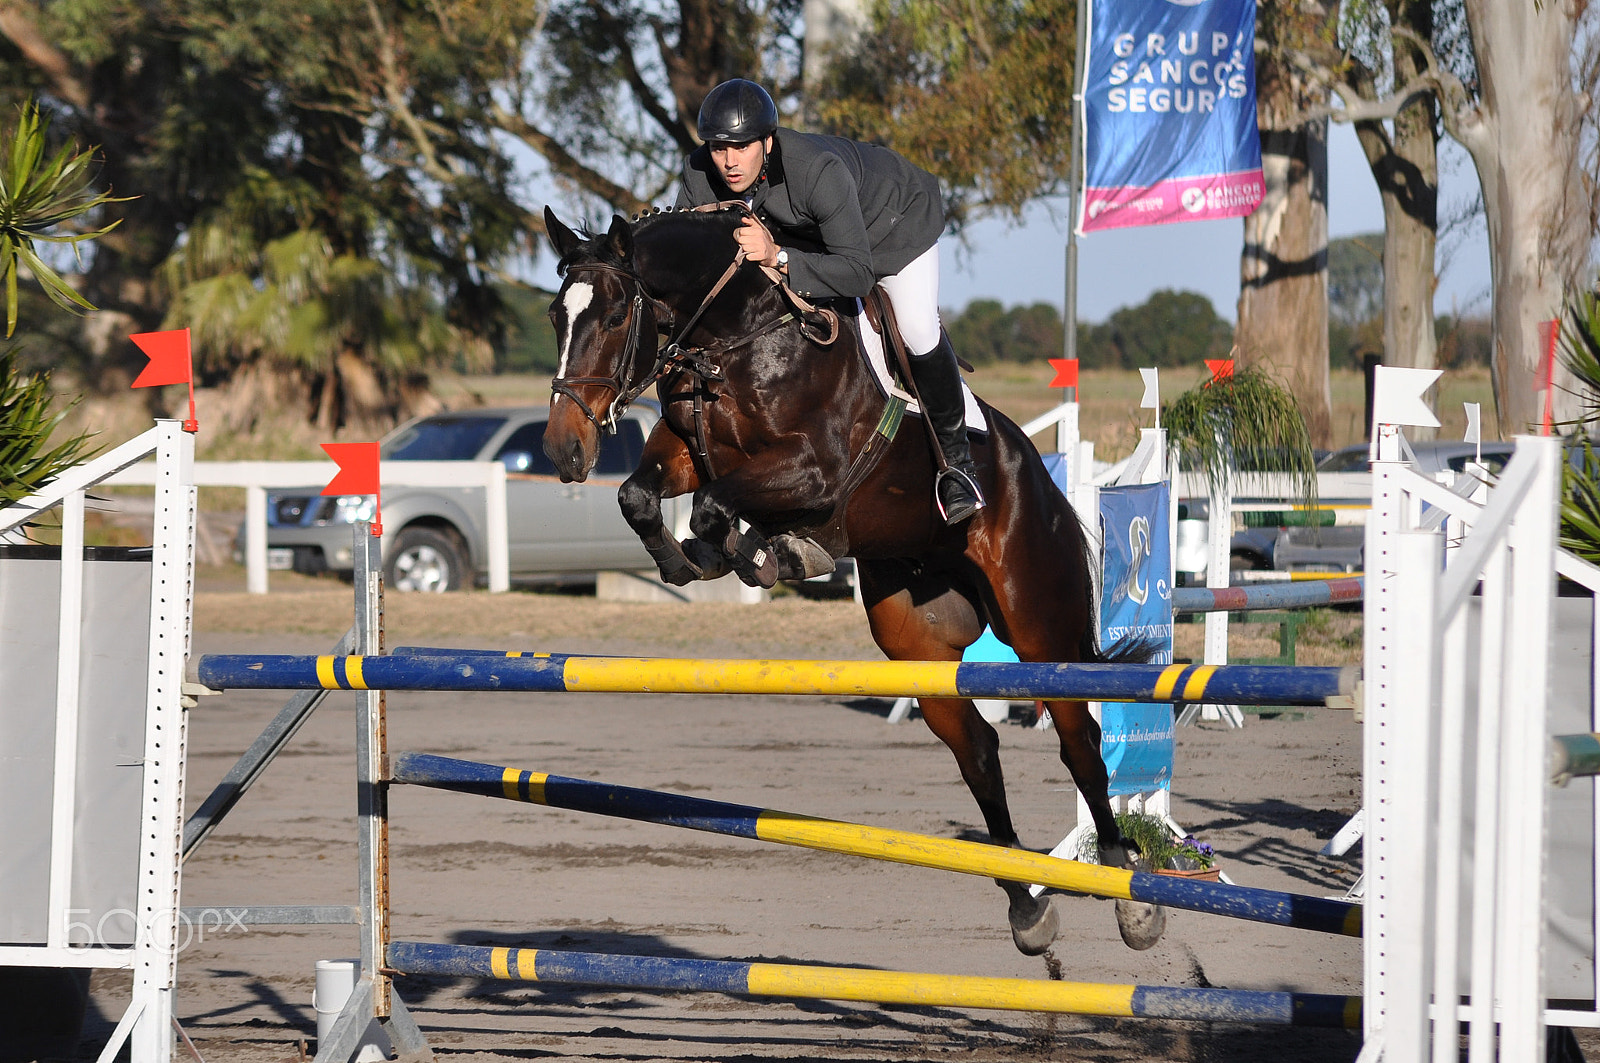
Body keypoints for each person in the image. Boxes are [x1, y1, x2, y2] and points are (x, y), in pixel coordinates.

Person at [675, 78, 985, 526]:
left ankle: (958, 467)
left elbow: (857, 273)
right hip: (818, 241)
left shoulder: (815, 169)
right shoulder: (700, 173)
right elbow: (688, 260)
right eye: (719, 148)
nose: (728, 162)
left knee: (916, 326)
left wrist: (778, 256)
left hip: (891, 228)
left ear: (766, 141)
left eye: (740, 148)